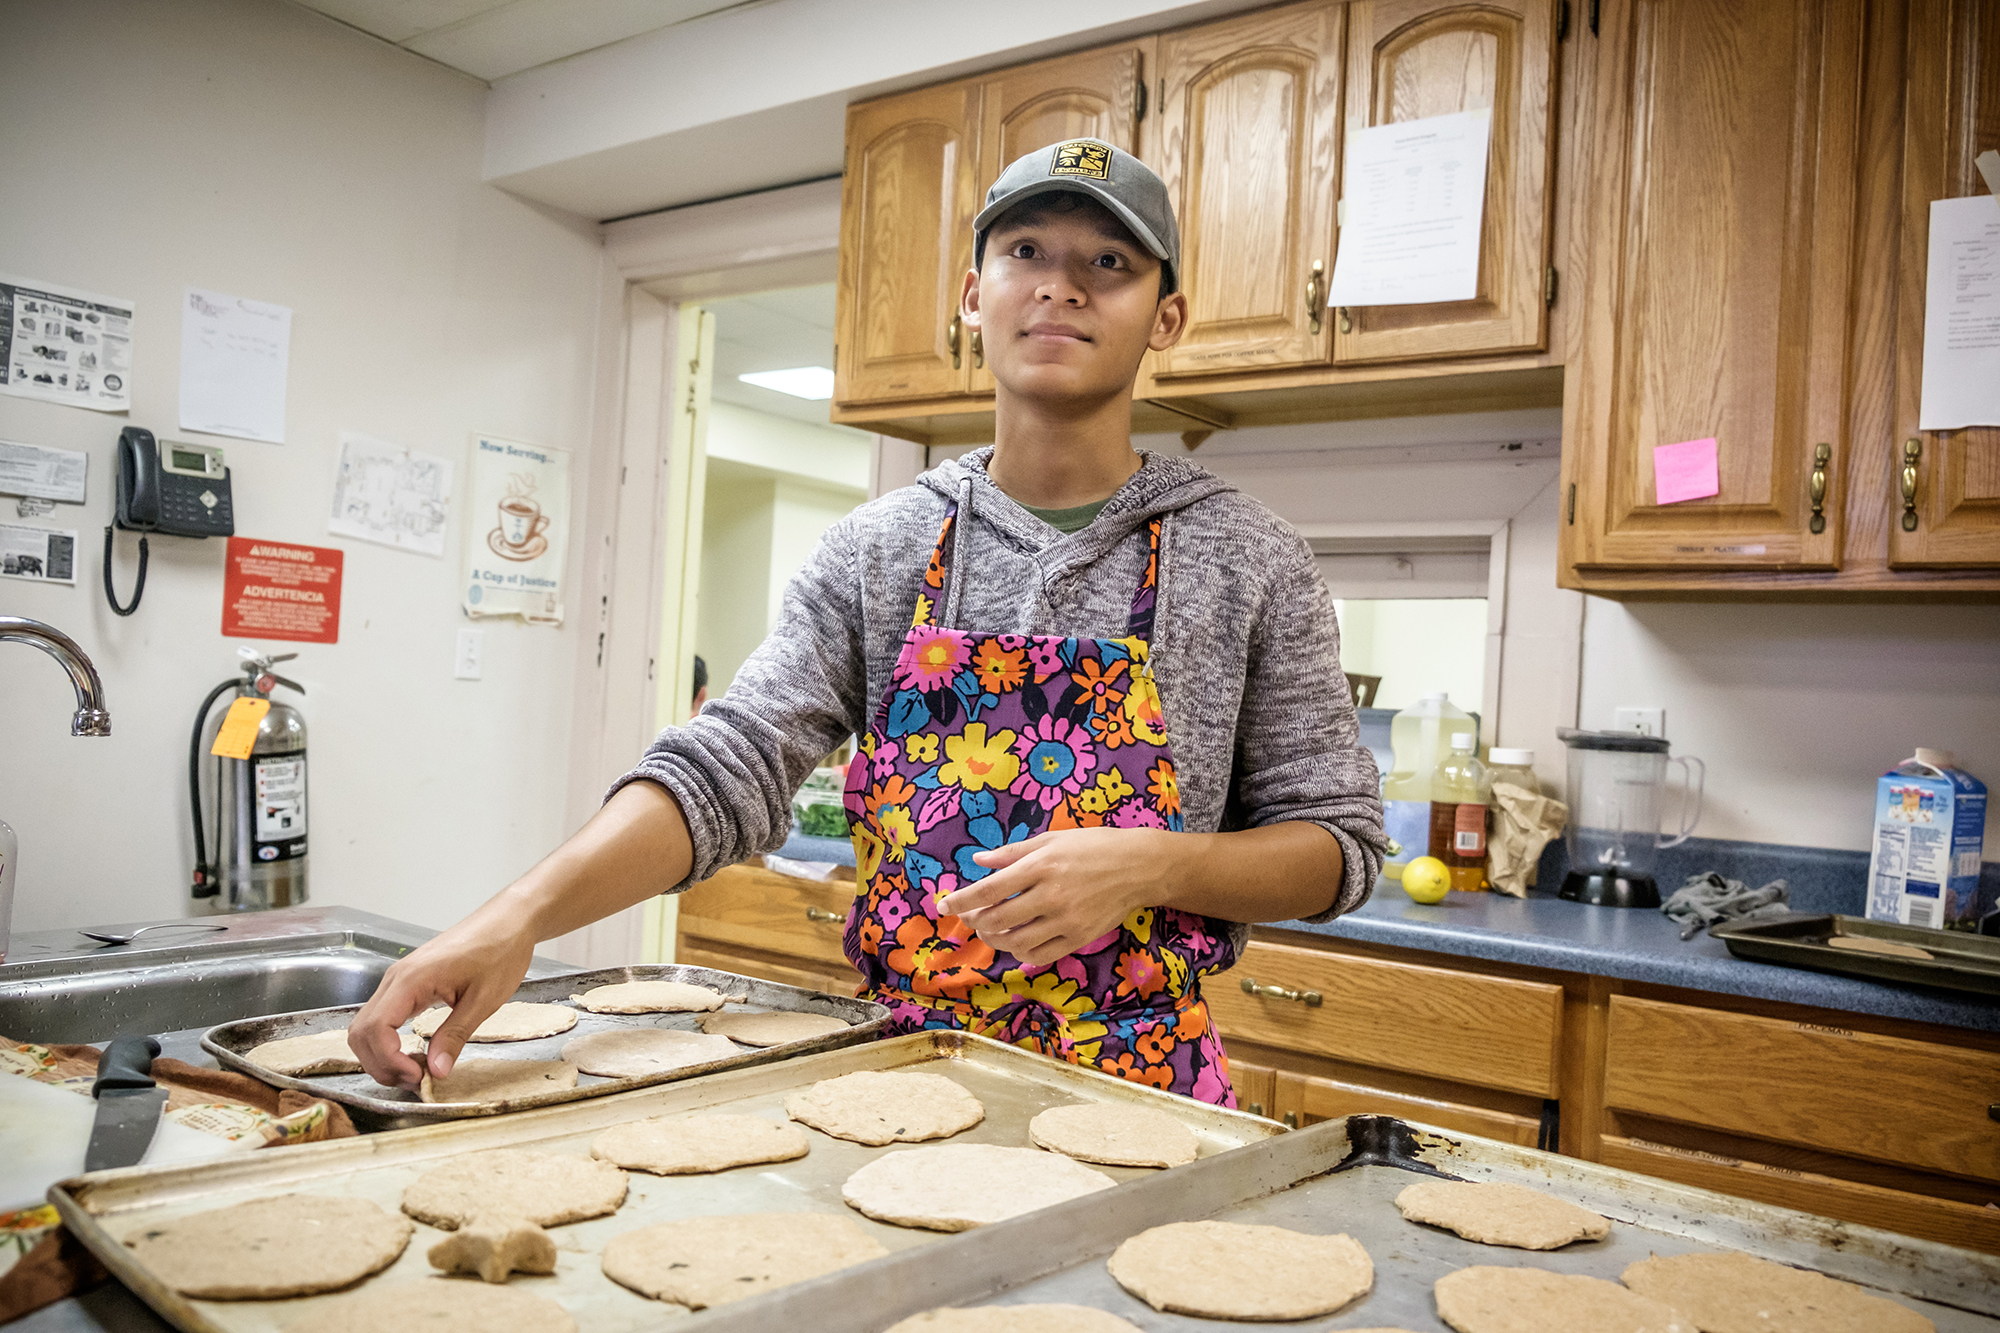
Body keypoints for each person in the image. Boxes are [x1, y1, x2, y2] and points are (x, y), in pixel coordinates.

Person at [349, 138, 1385, 1104]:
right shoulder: (878, 551)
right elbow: (731, 763)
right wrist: (516, 917)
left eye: (1108, 260)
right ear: (975, 298)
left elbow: (1336, 847)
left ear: (1166, 317)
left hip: (1142, 1081)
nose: (1060, 284)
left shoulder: (1248, 558)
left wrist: (1153, 862)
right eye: (1025, 251)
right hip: (895, 1063)